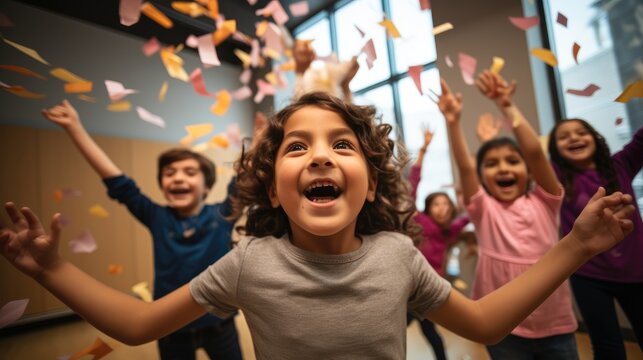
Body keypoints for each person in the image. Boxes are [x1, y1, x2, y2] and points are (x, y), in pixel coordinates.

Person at [0, 92, 634, 360]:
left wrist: (576, 245)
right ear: (271, 180)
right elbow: (139, 326)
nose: (322, 155)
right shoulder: (248, 261)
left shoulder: (397, 255)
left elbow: (487, 322)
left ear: (371, 175)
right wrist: (55, 269)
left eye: (342, 145)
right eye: (297, 147)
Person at [40, 100, 246, 360]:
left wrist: (260, 139)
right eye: (169, 173)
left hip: (220, 322)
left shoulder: (223, 214)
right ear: (162, 185)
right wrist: (74, 127)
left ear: (206, 186)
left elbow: (243, 181)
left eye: (189, 172)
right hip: (168, 324)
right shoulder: (157, 216)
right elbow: (119, 183)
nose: (178, 178)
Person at [440, 71, 580, 359]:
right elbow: (466, 168)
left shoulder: (546, 201)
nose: (503, 168)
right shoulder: (483, 208)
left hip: (556, 327)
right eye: (491, 164)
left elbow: (536, 153)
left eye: (512, 161)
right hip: (503, 329)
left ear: (528, 171)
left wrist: (506, 105)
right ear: (482, 177)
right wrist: (453, 123)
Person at [548, 118, 643, 359]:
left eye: (581, 132)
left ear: (596, 138)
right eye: (564, 136)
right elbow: (535, 160)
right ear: (555, 150)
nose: (574, 138)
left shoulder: (620, 164)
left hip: (637, 269)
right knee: (607, 346)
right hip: (588, 275)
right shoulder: (558, 178)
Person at [407, 128, 470, 360]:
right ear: (427, 208)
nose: (442, 208)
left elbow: (470, 214)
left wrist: (465, 197)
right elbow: (412, 184)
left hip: (429, 291)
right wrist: (423, 150)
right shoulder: (419, 221)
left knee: (429, 331)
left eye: (446, 204)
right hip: (410, 289)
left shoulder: (449, 230)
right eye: (436, 204)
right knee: (399, 330)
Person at [292, 39, 359, 102]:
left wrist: (345, 86)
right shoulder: (303, 80)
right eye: (301, 52)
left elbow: (342, 70)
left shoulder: (320, 70)